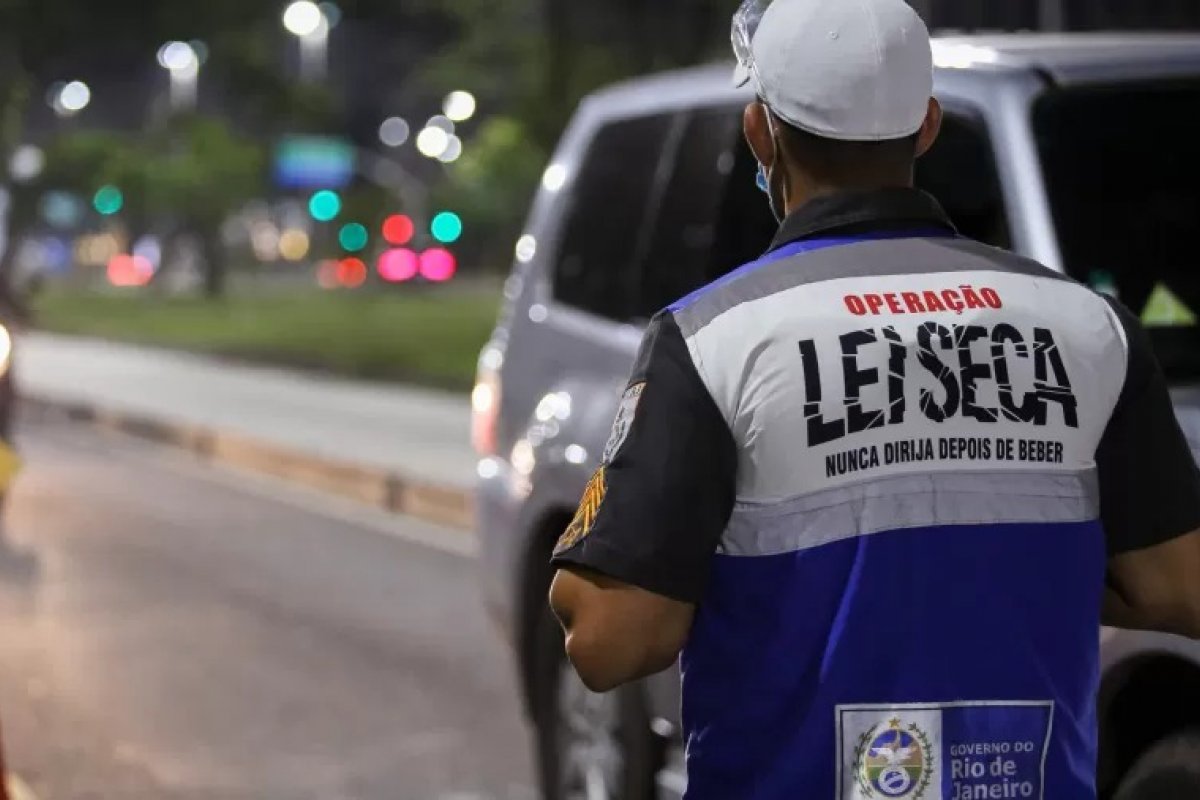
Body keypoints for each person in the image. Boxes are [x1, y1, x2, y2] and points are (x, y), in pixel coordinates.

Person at [547, 0, 1200, 797]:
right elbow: (1179, 586)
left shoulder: (718, 337)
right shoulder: (1090, 327)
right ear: (926, 127)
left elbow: (608, 640)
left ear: (761, 133)